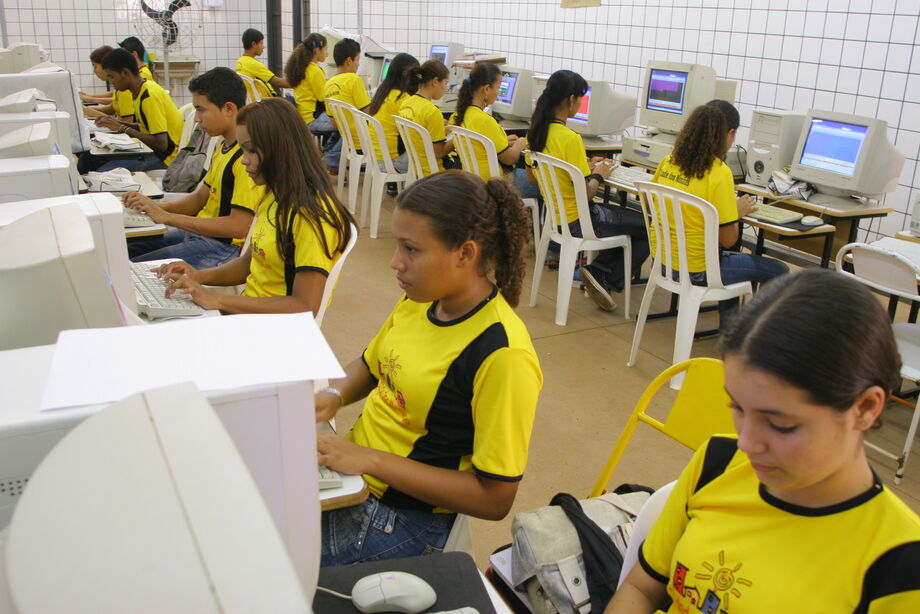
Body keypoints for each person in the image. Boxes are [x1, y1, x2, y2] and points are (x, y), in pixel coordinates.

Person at [606, 268, 920, 613]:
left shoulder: (899, 564)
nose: (747, 443)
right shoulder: (718, 463)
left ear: (865, 408)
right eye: (737, 408)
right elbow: (641, 587)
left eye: (781, 424)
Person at [315, 170, 542, 565]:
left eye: (411, 249)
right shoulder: (423, 298)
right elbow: (372, 365)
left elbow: (494, 498)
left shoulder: (502, 353)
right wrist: (332, 397)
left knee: (257, 550)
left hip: (401, 520)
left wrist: (369, 460)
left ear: (465, 253)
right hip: (353, 478)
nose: (394, 262)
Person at [157, 98, 354, 315]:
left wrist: (218, 300)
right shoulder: (275, 195)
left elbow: (304, 306)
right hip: (249, 314)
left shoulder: (311, 216)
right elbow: (249, 263)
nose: (244, 160)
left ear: (280, 148)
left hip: (272, 329)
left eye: (250, 150)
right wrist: (196, 276)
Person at [651, 100, 788, 328]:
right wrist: (734, 211)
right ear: (730, 133)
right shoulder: (719, 173)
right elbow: (728, 239)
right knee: (779, 270)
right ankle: (750, 336)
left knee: (729, 260)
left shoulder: (668, 162)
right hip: (697, 270)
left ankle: (730, 328)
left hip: (662, 262)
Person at [526, 69, 649, 312]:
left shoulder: (536, 133)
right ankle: (605, 277)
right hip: (581, 222)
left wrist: (580, 171)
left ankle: (598, 271)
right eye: (581, 98)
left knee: (624, 221)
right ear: (571, 99)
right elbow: (587, 194)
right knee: (648, 225)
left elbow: (532, 176)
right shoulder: (570, 138)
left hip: (557, 218)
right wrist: (598, 175)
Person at [123, 68, 256, 268]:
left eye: (201, 109)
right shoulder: (223, 147)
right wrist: (153, 208)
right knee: (124, 248)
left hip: (222, 248)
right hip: (200, 235)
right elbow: (198, 199)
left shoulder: (245, 159)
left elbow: (238, 227)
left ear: (228, 109)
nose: (196, 118)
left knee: (132, 269)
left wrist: (169, 218)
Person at [78, 48, 183, 174]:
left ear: (125, 73)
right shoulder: (138, 91)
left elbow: (161, 143)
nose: (111, 82)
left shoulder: (149, 96)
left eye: (112, 76)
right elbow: (144, 127)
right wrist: (114, 123)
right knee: (88, 159)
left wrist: (122, 128)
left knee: (103, 172)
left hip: (166, 158)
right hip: (153, 150)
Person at [451, 63, 532, 196]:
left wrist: (505, 141)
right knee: (541, 184)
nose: (499, 92)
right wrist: (519, 144)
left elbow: (479, 144)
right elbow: (510, 159)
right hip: (495, 184)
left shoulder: (459, 115)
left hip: (473, 180)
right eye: (498, 88)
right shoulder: (485, 121)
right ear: (487, 89)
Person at [397, 59, 454, 176]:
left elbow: (422, 134)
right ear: (435, 81)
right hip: (435, 170)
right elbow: (438, 152)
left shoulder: (406, 103)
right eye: (445, 83)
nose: (445, 89)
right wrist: (457, 138)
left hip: (417, 166)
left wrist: (440, 129)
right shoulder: (432, 112)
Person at [366, 52, 420, 174]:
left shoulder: (382, 93)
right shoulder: (402, 99)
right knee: (428, 149)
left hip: (375, 158)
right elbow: (417, 131)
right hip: (392, 162)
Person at [322, 38, 370, 172]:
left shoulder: (328, 84)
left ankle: (330, 158)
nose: (358, 65)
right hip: (365, 142)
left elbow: (334, 123)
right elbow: (367, 113)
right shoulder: (354, 80)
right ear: (349, 60)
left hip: (348, 142)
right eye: (357, 60)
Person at [284, 32, 333, 135]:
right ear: (317, 50)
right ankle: (332, 151)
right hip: (313, 119)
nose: (327, 53)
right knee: (346, 123)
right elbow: (324, 98)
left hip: (302, 117)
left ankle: (328, 149)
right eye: (325, 49)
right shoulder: (315, 71)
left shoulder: (302, 67)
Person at [79, 45, 134, 122]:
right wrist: (87, 108)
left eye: (95, 66)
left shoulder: (124, 90)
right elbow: (113, 108)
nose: (94, 71)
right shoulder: (120, 88)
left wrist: (94, 111)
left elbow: (127, 124)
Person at [236, 28, 291, 98]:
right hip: (268, 102)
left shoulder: (241, 61)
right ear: (254, 44)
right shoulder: (253, 64)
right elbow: (278, 82)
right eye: (261, 43)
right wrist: (298, 84)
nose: (263, 47)